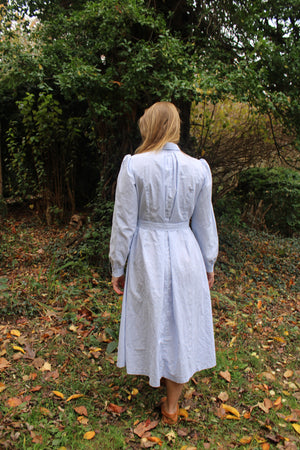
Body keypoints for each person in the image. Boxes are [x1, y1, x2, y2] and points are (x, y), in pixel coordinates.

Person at [109, 101, 218, 425]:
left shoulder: (134, 166)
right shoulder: (197, 168)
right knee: (181, 320)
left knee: (155, 315)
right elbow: (205, 222)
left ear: (151, 127)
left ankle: (157, 372)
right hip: (186, 251)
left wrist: (118, 265)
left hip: (148, 252)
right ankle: (172, 405)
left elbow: (124, 222)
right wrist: (208, 261)